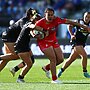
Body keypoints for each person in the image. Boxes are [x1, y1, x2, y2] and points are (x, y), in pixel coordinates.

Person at [35, 8, 90, 83]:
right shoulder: (40, 22)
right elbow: (32, 30)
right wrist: (72, 35)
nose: (50, 16)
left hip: (56, 41)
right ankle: (55, 79)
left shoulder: (56, 19)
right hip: (72, 42)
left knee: (64, 59)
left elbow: (67, 21)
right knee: (83, 56)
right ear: (45, 15)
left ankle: (51, 68)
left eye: (52, 15)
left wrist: (84, 27)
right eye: (49, 15)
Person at [0, 8, 37, 79]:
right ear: (30, 15)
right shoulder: (24, 21)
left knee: (6, 58)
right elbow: (25, 29)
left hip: (10, 36)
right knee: (16, 56)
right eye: (35, 16)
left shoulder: (28, 21)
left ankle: (14, 69)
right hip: (10, 37)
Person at [57, 12, 90, 78]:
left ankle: (60, 70)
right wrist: (72, 34)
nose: (87, 18)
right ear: (83, 16)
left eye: (89, 17)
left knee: (71, 59)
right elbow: (69, 25)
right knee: (84, 56)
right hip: (75, 41)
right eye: (86, 16)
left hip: (82, 43)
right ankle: (85, 71)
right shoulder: (79, 21)